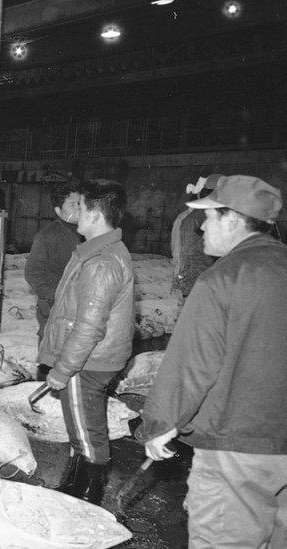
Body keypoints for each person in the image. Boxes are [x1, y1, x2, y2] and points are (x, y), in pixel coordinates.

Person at [136, 175, 287, 548]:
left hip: (236, 446)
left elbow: (191, 365)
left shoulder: (222, 279)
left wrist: (158, 425)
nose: (200, 226)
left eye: (209, 217)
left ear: (233, 219)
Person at [37, 181, 134, 504]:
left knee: (88, 434)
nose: (74, 213)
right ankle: (74, 486)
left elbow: (89, 326)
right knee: (82, 428)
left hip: (87, 362)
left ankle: (89, 499)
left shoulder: (101, 262)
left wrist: (63, 369)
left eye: (80, 206)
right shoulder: (97, 252)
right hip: (91, 359)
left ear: (93, 214)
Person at [25, 181, 84, 342]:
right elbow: (33, 273)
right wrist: (56, 295)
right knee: (53, 349)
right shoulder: (47, 236)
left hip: (82, 307)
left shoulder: (87, 233)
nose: (78, 208)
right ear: (58, 210)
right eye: (72, 204)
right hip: (56, 308)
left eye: (80, 203)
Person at [170, 173, 220, 301]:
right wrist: (179, 283)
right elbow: (179, 255)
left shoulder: (218, 218)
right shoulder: (188, 220)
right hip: (195, 285)